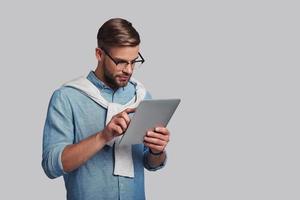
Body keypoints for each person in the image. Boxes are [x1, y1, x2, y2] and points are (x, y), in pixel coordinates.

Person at [42, 18, 170, 200]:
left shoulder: (142, 97)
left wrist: (157, 151)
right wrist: (103, 136)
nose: (129, 70)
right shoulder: (67, 98)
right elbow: (51, 166)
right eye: (120, 62)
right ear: (99, 54)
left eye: (134, 61)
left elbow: (150, 163)